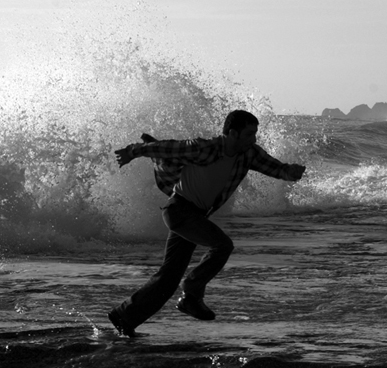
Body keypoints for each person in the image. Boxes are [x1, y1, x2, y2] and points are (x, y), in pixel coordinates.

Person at [107, 110, 306, 337]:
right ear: (232, 133)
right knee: (222, 245)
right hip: (179, 211)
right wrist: (133, 151)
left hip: (195, 216)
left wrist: (291, 172)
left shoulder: (248, 154)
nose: (254, 139)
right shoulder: (205, 148)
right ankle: (191, 293)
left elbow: (277, 168)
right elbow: (166, 147)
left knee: (169, 277)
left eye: (255, 134)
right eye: (249, 134)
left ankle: (124, 317)